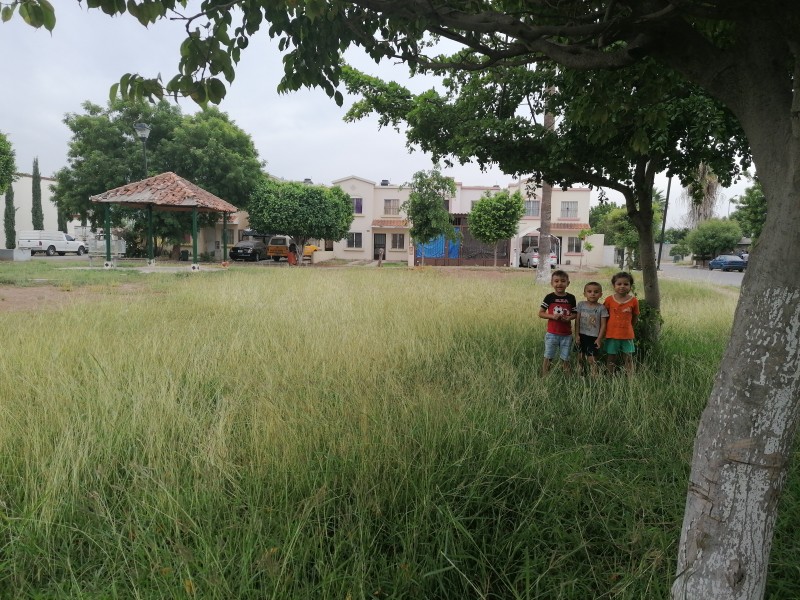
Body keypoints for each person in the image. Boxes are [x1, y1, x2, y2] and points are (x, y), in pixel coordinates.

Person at [538, 270, 577, 375]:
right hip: (552, 334)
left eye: (563, 281)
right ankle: (545, 375)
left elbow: (575, 314)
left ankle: (567, 377)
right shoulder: (549, 297)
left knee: (565, 358)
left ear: (568, 283)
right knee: (548, 356)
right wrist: (552, 316)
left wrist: (569, 318)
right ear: (552, 283)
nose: (559, 283)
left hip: (566, 335)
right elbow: (541, 313)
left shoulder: (571, 298)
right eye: (556, 281)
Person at [603, 271, 640, 374]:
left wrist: (630, 327)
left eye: (626, 284)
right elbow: (604, 316)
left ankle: (630, 379)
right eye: (619, 284)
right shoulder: (609, 300)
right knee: (611, 358)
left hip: (627, 335)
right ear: (614, 285)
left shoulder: (634, 301)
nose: (622, 286)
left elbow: (635, 316)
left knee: (628, 358)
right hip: (612, 334)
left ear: (630, 286)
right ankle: (609, 377)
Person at [574, 281, 609, 377]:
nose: (592, 294)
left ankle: (594, 377)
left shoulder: (602, 308)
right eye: (589, 291)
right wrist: (576, 335)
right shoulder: (581, 305)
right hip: (581, 335)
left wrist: (599, 338)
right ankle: (579, 375)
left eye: (596, 292)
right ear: (584, 293)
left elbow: (603, 325)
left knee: (591, 360)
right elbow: (577, 321)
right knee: (579, 357)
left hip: (593, 337)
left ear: (600, 294)